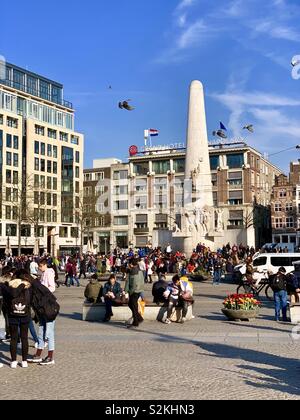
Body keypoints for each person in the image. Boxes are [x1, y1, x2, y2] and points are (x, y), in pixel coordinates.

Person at [28, 259, 57, 365]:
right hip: (42, 306)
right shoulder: (43, 273)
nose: (39, 268)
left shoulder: (49, 273)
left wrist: (43, 292)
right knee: (41, 330)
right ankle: (38, 354)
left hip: (48, 305)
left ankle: (50, 356)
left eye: (40, 266)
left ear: (45, 265)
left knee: (49, 332)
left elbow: (52, 287)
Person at [1, 275, 32, 368]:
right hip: (25, 316)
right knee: (24, 338)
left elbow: (5, 303)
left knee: (14, 339)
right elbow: (30, 301)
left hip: (12, 316)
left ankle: (13, 360)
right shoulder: (26, 289)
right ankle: (24, 361)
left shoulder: (9, 290)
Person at [125, 259, 144, 328]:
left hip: (134, 291)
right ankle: (139, 318)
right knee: (131, 304)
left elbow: (129, 282)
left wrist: (126, 291)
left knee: (133, 306)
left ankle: (136, 322)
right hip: (139, 290)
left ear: (131, 264)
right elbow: (142, 280)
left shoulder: (131, 271)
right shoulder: (140, 270)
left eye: (129, 263)